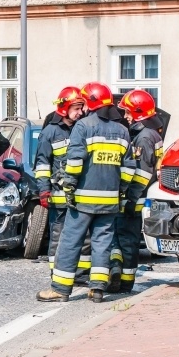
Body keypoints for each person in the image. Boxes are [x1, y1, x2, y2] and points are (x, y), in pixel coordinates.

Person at [36, 82, 131, 303]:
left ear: (91, 102)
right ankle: (97, 288)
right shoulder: (122, 130)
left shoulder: (83, 126)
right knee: (102, 242)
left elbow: (76, 162)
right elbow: (128, 169)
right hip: (110, 200)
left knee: (70, 241)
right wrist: (121, 191)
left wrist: (68, 186)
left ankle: (60, 289)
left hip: (83, 200)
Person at [110, 89, 164, 293]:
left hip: (136, 198)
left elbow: (142, 173)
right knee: (126, 238)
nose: (125, 116)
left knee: (126, 238)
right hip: (140, 196)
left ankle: (124, 282)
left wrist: (130, 197)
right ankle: (124, 278)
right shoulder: (152, 133)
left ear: (139, 112)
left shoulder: (143, 138)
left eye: (128, 112)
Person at [34, 87, 86, 271]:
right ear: (64, 108)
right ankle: (56, 272)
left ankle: (78, 275)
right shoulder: (50, 132)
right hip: (58, 196)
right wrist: (43, 190)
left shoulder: (82, 129)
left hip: (80, 196)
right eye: (76, 108)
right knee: (58, 236)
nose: (80, 112)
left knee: (80, 237)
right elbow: (41, 164)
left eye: (82, 108)